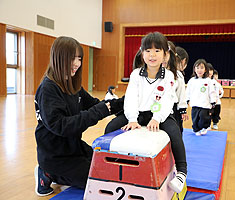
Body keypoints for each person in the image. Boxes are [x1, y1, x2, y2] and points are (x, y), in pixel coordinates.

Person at [34, 36, 122, 196]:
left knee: (108, 166)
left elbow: (95, 104)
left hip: (73, 147)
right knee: (100, 179)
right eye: (71, 58)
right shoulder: (48, 89)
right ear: (59, 58)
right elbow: (61, 126)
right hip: (55, 156)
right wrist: (101, 110)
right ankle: (47, 173)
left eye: (79, 58)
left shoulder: (72, 84)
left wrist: (122, 104)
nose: (76, 63)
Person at [104, 32, 187, 193]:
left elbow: (167, 100)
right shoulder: (136, 74)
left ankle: (182, 172)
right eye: (148, 50)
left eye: (157, 51)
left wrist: (157, 118)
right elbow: (131, 98)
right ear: (142, 54)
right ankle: (114, 165)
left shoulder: (169, 76)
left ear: (165, 54)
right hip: (138, 114)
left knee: (175, 133)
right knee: (110, 127)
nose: (152, 55)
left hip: (160, 115)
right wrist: (133, 119)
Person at [163, 41, 188, 134]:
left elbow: (181, 93)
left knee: (176, 130)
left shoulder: (177, 75)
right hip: (157, 107)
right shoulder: (155, 73)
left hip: (173, 109)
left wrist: (182, 109)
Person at [186, 59, 216, 136]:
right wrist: (187, 100)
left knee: (204, 118)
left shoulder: (208, 80)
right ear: (194, 69)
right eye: (197, 68)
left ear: (205, 69)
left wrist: (213, 102)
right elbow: (188, 91)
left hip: (205, 104)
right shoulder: (191, 81)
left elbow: (212, 92)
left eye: (202, 68)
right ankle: (196, 129)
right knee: (195, 119)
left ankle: (204, 127)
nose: (199, 70)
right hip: (195, 104)